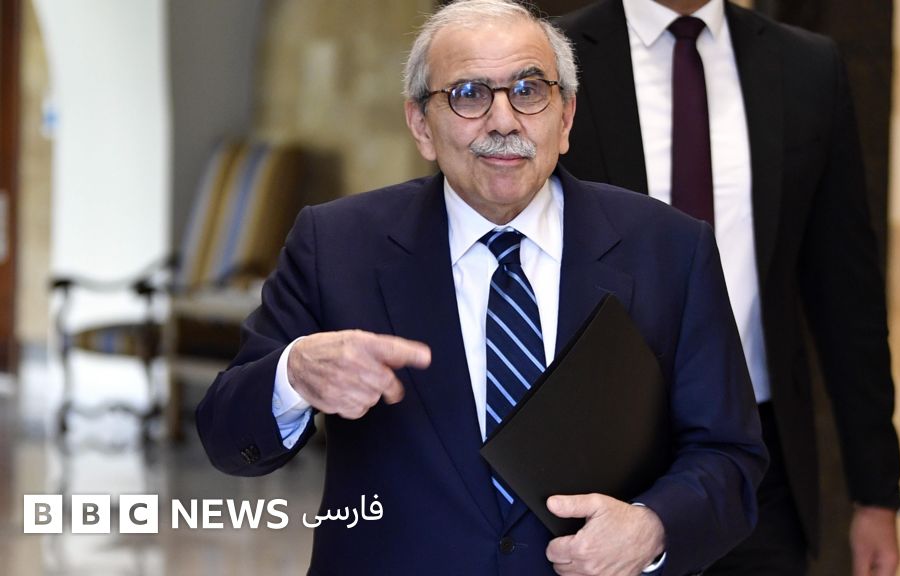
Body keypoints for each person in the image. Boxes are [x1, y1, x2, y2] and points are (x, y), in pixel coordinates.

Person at [196, 0, 767, 574]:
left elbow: (729, 456)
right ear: (421, 126)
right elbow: (226, 437)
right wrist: (293, 375)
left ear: (565, 118)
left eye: (529, 90)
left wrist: (652, 527)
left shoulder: (669, 249)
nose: (503, 122)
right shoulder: (337, 245)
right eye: (468, 95)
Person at [557, 1, 900, 575]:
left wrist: (878, 494)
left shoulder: (805, 66)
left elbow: (847, 297)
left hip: (759, 465)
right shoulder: (553, 59)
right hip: (594, 456)